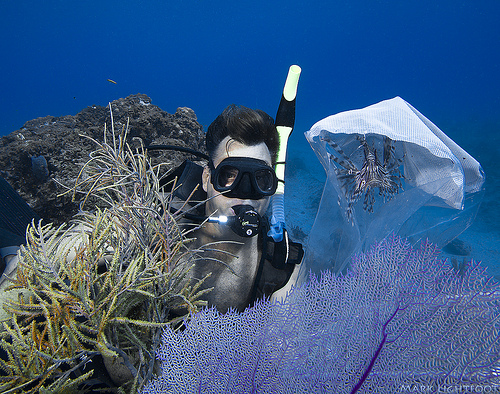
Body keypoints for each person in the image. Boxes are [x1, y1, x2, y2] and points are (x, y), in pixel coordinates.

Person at [170, 104, 303, 313]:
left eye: (260, 179)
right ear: (207, 179)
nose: (245, 194)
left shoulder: (282, 266)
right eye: (229, 176)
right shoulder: (154, 223)